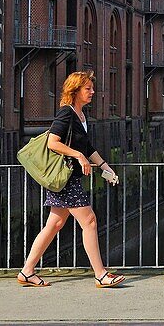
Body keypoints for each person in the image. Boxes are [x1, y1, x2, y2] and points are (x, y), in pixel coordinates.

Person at [18, 70, 124, 288]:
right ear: (75, 90)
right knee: (89, 221)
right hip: (66, 179)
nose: (92, 92)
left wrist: (106, 168)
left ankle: (27, 271)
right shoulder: (66, 113)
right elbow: (53, 143)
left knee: (54, 224)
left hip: (69, 179)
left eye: (92, 88)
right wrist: (78, 155)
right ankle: (100, 274)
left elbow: (88, 147)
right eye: (88, 88)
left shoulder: (81, 116)